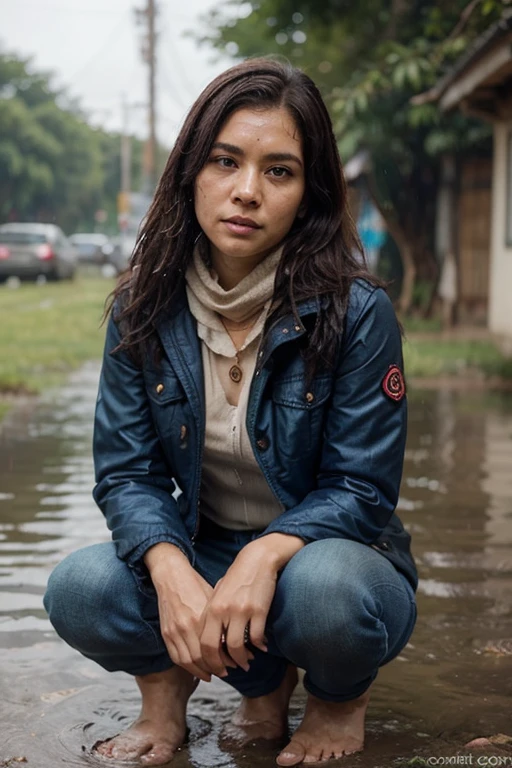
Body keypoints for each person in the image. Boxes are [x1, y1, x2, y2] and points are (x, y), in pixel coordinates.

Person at [44, 57, 417, 767]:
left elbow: (363, 489)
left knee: (328, 595)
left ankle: (337, 700)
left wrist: (266, 552)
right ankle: (168, 699)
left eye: (279, 170)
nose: (246, 191)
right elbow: (127, 475)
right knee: (81, 588)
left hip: (328, 562)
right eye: (226, 161)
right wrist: (170, 566)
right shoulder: (142, 306)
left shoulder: (358, 312)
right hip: (206, 545)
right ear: (192, 171)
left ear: (308, 193)